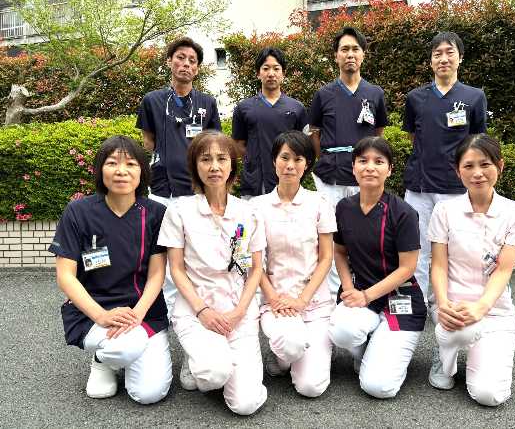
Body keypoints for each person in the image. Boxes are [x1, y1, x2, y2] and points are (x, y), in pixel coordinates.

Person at [49, 136, 172, 404]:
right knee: (126, 346)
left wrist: (137, 315)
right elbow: (65, 276)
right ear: (100, 169)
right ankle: (104, 360)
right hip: (93, 313)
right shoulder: (78, 212)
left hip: (143, 313)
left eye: (131, 164)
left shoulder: (155, 213)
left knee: (149, 393)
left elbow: (156, 274)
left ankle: (118, 355)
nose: (121, 171)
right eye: (112, 163)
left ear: (142, 170)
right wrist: (102, 316)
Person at [157, 131, 267, 415]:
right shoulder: (180, 211)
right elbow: (176, 269)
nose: (214, 166)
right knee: (212, 373)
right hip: (197, 309)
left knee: (245, 404)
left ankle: (223, 360)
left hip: (238, 310)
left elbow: (255, 269)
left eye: (222, 159)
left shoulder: (249, 212)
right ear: (195, 166)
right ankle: (200, 359)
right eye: (206, 159)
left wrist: (240, 311)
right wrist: (202, 311)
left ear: (232, 165)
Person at [427, 134, 515, 406]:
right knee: (458, 331)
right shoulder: (444, 210)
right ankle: (445, 352)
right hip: (451, 305)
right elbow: (438, 264)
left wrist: (481, 308)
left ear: (500, 166)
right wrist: (443, 304)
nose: (477, 173)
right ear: (457, 171)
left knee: (489, 395)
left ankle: (476, 346)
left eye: (485, 164)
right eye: (468, 166)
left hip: (494, 310)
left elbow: (503, 270)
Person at [328, 136, 426, 399]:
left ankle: (383, 350)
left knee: (378, 387)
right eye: (363, 161)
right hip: (361, 293)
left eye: (379, 161)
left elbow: (407, 268)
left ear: (389, 169)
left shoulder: (404, 213)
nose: (370, 167)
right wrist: (348, 288)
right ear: (353, 167)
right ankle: (369, 346)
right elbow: (339, 251)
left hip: (401, 298)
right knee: (342, 330)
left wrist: (366, 296)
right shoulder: (343, 208)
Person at [136, 37, 222, 316]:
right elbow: (148, 141)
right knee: (162, 249)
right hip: (162, 188)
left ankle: (196, 305)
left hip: (196, 190)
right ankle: (167, 310)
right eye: (180, 58)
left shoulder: (207, 103)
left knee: (195, 248)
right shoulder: (152, 100)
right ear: (170, 61)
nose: (186, 64)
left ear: (197, 68)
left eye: (192, 61)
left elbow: (213, 143)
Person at [403, 31, 488, 301]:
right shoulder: (415, 98)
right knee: (417, 248)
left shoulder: (474, 97)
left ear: (460, 58)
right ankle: (417, 302)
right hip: (419, 188)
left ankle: (445, 302)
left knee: (455, 250)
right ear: (431, 61)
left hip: (456, 188)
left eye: (449, 52)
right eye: (437, 54)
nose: (443, 59)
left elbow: (477, 142)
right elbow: (414, 137)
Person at [251, 131, 336, 397]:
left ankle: (308, 351)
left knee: (311, 387)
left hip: (314, 302)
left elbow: (326, 257)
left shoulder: (319, 203)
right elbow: (255, 262)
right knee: (290, 344)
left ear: (306, 164)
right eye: (284, 157)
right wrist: (274, 297)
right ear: (274, 160)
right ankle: (283, 359)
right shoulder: (257, 207)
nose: (290, 165)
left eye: (298, 159)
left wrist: (302, 300)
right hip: (276, 302)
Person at [309, 26, 389, 294]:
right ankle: (335, 293)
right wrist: (327, 158)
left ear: (363, 54)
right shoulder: (324, 94)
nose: (350, 54)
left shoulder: (375, 94)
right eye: (344, 49)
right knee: (331, 233)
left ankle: (367, 290)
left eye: (355, 49)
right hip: (330, 177)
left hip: (364, 176)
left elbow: (378, 132)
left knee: (365, 232)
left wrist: (367, 161)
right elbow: (314, 133)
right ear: (336, 56)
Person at [232, 47, 309, 198]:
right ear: (258, 73)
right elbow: (238, 145)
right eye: (266, 68)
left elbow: (305, 147)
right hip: (255, 183)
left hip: (288, 181)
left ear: (283, 73)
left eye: (276, 68)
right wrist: (255, 157)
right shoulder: (244, 108)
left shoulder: (297, 108)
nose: (271, 73)